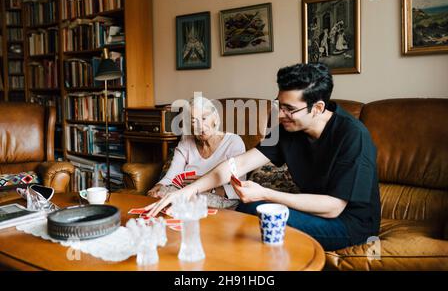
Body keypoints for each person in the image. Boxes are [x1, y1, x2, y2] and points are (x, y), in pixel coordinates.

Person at [145, 63, 381, 251]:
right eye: (279, 105)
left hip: (348, 223)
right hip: (312, 210)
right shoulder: (288, 128)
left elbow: (333, 208)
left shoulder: (352, 136)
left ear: (318, 108)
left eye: (290, 109)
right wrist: (187, 191)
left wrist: (266, 193)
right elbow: (236, 165)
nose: (281, 114)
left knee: (252, 215)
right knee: (247, 210)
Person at [147, 96, 245, 207]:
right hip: (186, 195)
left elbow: (239, 186)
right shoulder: (186, 142)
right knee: (159, 197)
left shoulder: (233, 142)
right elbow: (172, 174)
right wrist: (159, 186)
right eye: (194, 121)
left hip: (219, 199)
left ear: (215, 119)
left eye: (204, 118)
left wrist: (206, 186)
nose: (200, 126)